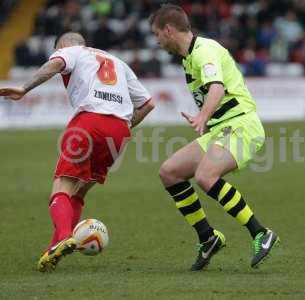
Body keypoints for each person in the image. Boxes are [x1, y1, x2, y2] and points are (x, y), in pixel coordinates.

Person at [0, 32, 154, 272]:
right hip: (120, 131)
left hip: (88, 123)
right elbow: (148, 104)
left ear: (62, 45)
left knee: (62, 185)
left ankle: (63, 237)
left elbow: (57, 64)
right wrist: (119, 128)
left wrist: (24, 88)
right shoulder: (118, 62)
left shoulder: (73, 51)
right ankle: (53, 249)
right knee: (79, 192)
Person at [149, 4, 279, 271]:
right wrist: (208, 123)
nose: (157, 41)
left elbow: (217, 89)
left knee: (206, 176)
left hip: (242, 124)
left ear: (169, 30)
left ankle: (260, 233)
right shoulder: (189, 58)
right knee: (169, 172)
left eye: (157, 34)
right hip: (222, 128)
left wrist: (203, 117)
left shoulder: (203, 51)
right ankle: (208, 237)